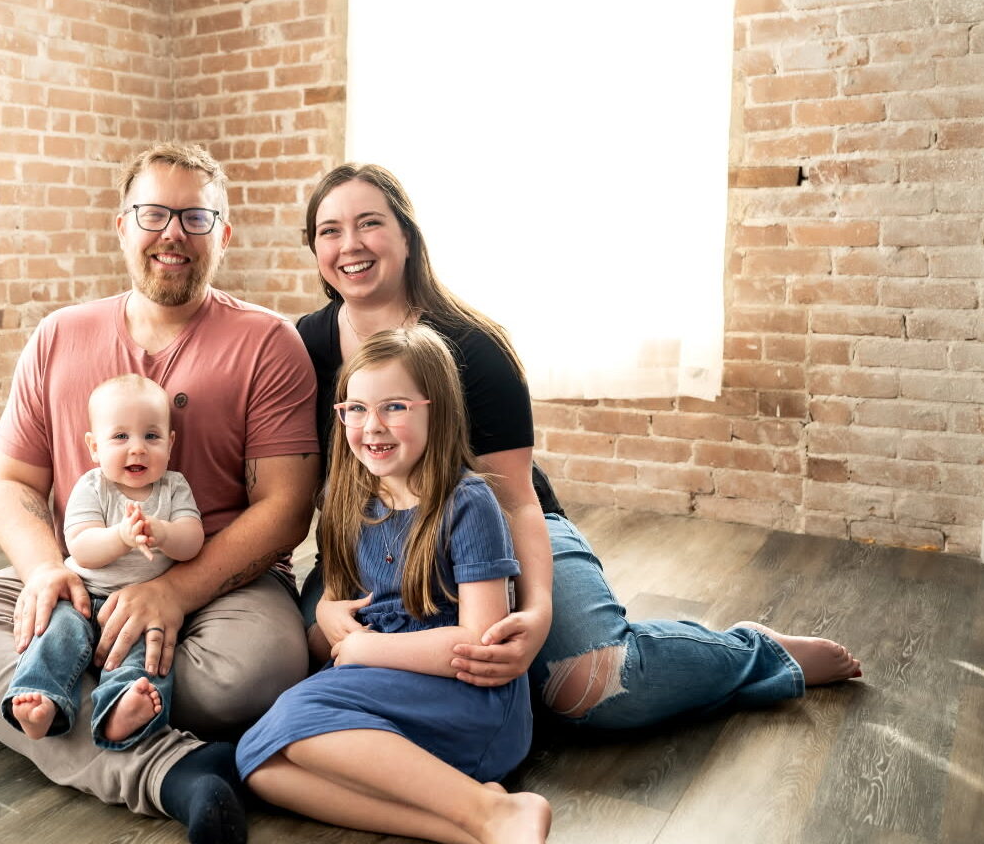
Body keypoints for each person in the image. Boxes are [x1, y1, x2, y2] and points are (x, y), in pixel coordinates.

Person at [296, 163, 861, 734]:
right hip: (373, 545)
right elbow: (323, 496)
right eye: (330, 230)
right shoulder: (300, 349)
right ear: (314, 246)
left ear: (408, 238)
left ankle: (753, 652)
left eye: (369, 223)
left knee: (589, 686)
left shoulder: (474, 347)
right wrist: (325, 604)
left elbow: (517, 502)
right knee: (302, 665)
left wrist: (537, 612)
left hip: (501, 531)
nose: (351, 245)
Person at [0, 143, 321, 844]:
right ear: (122, 225)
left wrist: (174, 591)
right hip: (85, 572)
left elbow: (286, 508)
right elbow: (14, 482)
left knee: (253, 678)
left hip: (221, 588)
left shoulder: (268, 343)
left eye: (195, 218)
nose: (172, 233)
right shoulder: (58, 336)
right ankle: (175, 772)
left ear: (222, 234)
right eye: (153, 213)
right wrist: (44, 572)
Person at [238, 325, 551, 844]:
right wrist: (325, 615)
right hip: (389, 692)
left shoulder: (467, 503)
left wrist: (366, 648)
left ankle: (482, 810)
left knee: (296, 715)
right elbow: (343, 611)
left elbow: (478, 644)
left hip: (468, 701)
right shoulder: (350, 498)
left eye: (395, 407)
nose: (372, 426)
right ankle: (480, 818)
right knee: (258, 763)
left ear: (437, 410)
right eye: (355, 409)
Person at [5, 374, 205, 751]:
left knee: (147, 656)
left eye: (151, 436)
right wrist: (121, 537)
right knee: (55, 634)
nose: (138, 449)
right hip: (84, 597)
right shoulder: (92, 486)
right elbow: (80, 547)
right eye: (120, 437)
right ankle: (41, 698)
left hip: (143, 607)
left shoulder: (174, 487)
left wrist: (162, 532)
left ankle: (122, 710)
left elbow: (193, 540)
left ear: (170, 443)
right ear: (94, 447)